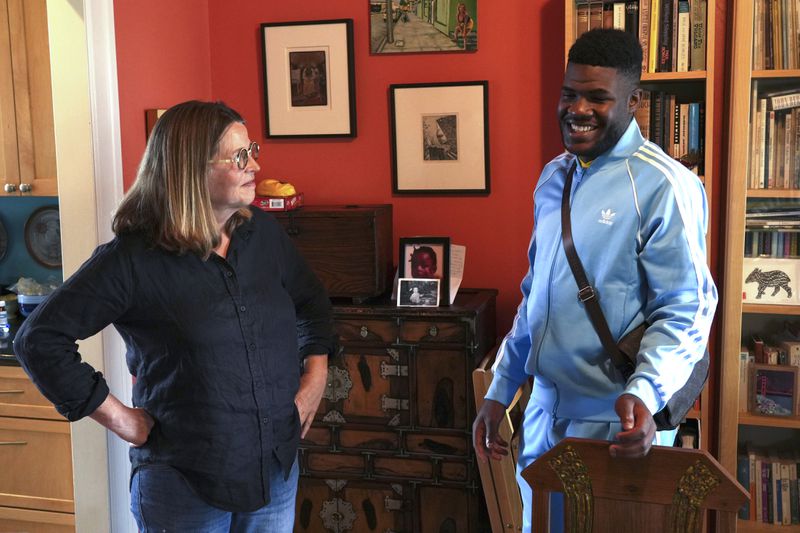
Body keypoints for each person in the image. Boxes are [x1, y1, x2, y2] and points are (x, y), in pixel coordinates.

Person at [13, 100, 334, 532]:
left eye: (252, 149)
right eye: (240, 156)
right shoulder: (131, 260)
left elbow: (312, 303)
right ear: (191, 168)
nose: (255, 164)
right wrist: (120, 418)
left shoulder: (263, 234)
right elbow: (39, 339)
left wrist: (315, 379)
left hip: (273, 469)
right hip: (184, 483)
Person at [472, 29, 716, 533]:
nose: (577, 108)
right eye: (569, 93)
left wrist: (646, 395)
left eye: (598, 97)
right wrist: (501, 390)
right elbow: (534, 297)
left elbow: (688, 309)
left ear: (633, 101)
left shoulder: (665, 185)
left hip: (617, 424)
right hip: (543, 417)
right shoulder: (552, 179)